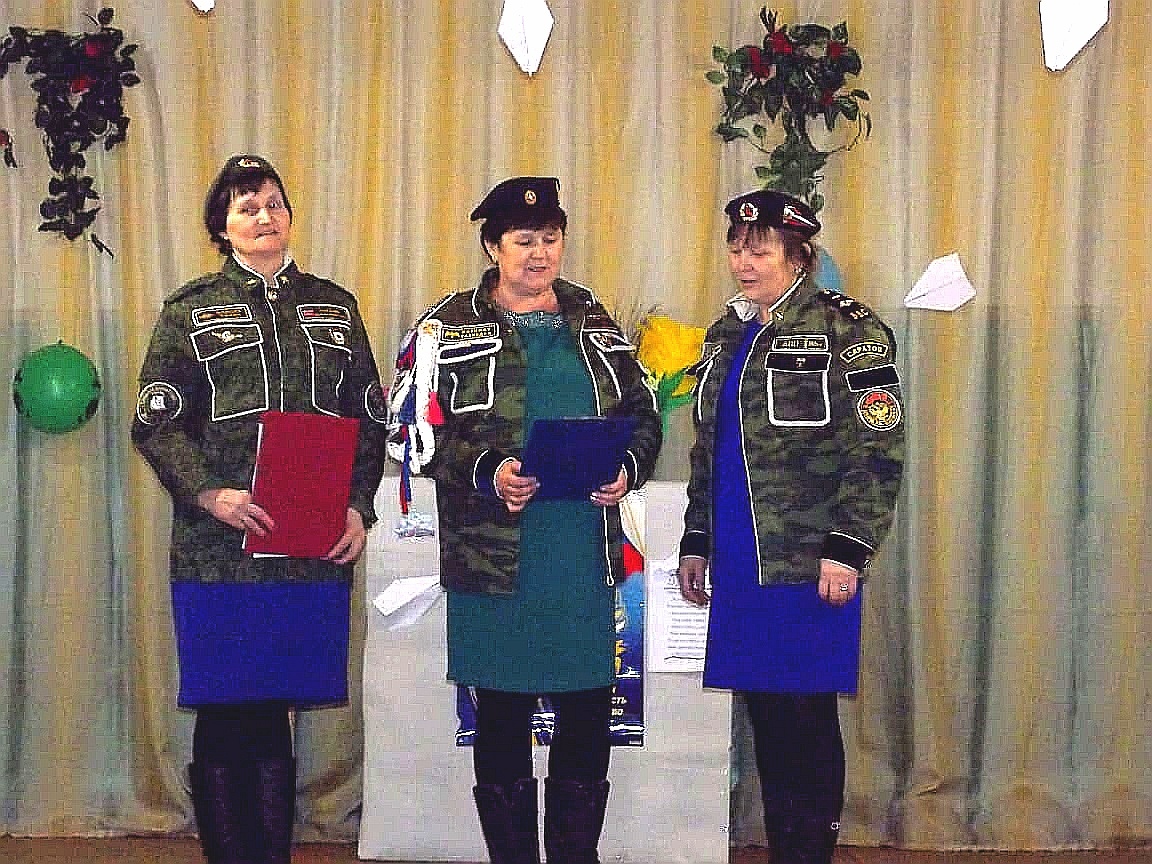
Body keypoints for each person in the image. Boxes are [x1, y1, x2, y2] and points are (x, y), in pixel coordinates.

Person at [387, 177, 662, 864]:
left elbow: (643, 414)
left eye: (550, 238)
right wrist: (488, 470)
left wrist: (628, 466)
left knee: (587, 712)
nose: (539, 253)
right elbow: (406, 429)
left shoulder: (595, 321)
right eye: (523, 240)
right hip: (492, 557)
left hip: (581, 553)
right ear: (492, 246)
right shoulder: (443, 326)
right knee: (503, 716)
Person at [132, 155, 387, 864]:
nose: (264, 217)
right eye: (246, 207)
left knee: (278, 707)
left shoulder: (335, 307)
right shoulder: (190, 310)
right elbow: (155, 423)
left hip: (307, 547)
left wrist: (358, 506)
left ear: (290, 216)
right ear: (222, 227)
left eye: (273, 203)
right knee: (224, 706)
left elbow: (369, 419)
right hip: (219, 548)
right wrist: (210, 493)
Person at [677, 190, 904, 864]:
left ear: (799, 255)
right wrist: (697, 539)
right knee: (769, 720)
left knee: (806, 718)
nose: (744, 263)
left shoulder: (848, 329)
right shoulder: (726, 333)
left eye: (761, 251)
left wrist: (849, 548)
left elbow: (877, 448)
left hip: (809, 562)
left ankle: (809, 854)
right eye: (736, 249)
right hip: (743, 561)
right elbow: (708, 450)